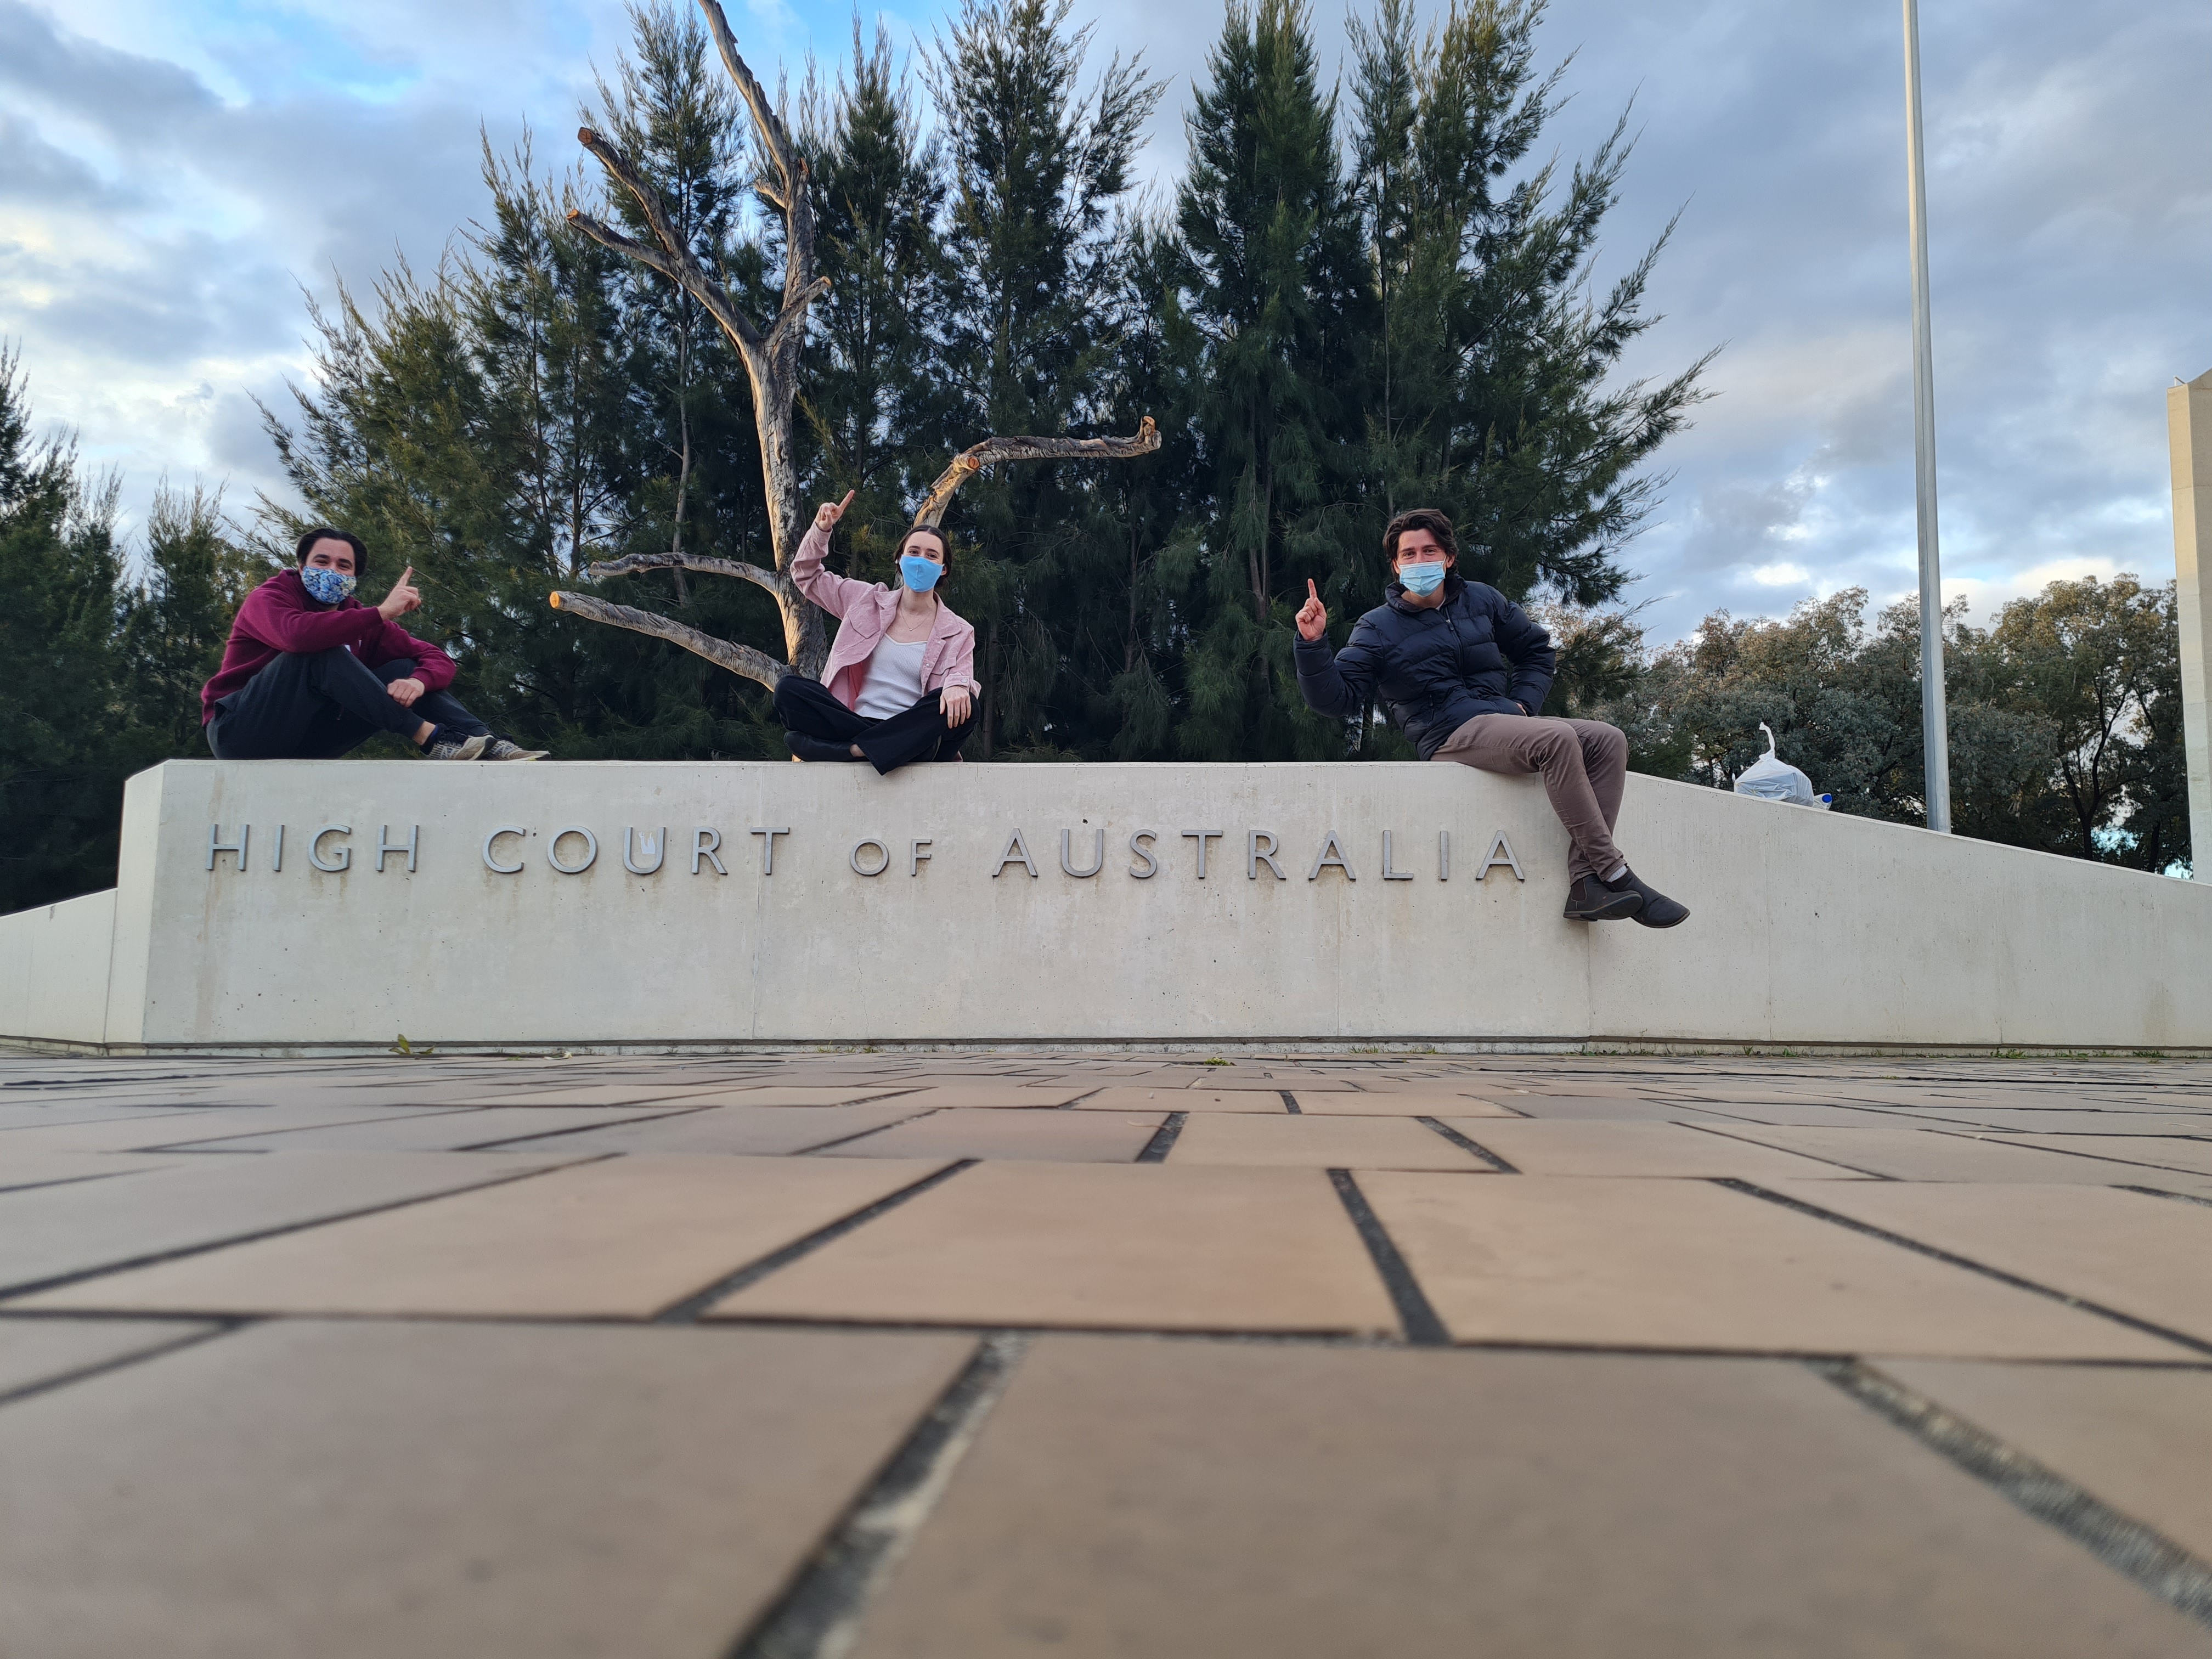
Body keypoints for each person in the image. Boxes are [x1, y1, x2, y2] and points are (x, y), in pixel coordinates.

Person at [1294, 507, 1688, 927]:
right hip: (1445, 733)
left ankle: (1586, 883)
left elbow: (1536, 651)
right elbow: (1338, 700)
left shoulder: (1482, 600)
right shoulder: (1377, 628)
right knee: (1556, 740)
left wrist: (1522, 705)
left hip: (1503, 721)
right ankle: (1616, 872)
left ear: (1448, 558)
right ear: (1395, 566)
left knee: (1607, 739)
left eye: (1429, 551)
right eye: (1408, 554)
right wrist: (1313, 644)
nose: (1419, 561)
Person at [202, 528, 546, 762]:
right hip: (242, 734)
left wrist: (417, 682)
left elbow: (436, 658)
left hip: (310, 742)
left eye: (344, 565)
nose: (332, 571)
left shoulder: (362, 621)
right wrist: (382, 612)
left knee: (404, 669)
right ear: (301, 565)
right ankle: (432, 739)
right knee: (319, 650)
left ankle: (488, 745)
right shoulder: (270, 597)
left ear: (353, 579)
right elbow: (297, 636)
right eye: (321, 562)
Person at [775, 491, 979, 772]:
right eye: (914, 552)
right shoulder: (866, 600)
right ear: (899, 560)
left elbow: (962, 678)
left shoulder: (959, 631)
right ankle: (876, 749)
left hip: (914, 726)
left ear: (943, 570)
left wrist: (958, 684)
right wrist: (822, 530)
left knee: (968, 703)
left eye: (932, 556)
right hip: (857, 721)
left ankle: (851, 750)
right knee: (788, 689)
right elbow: (806, 576)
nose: (921, 560)